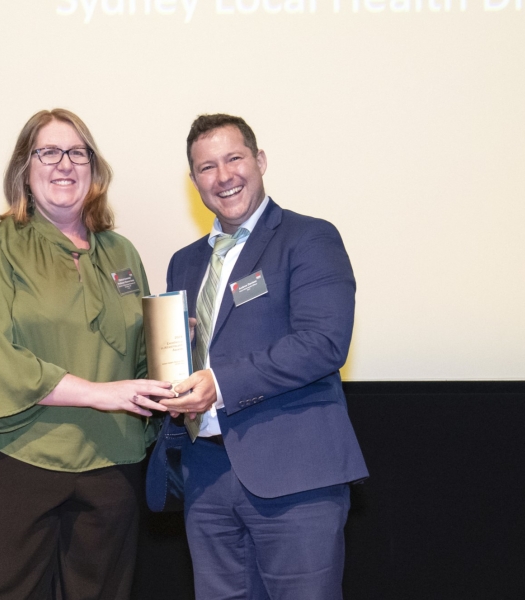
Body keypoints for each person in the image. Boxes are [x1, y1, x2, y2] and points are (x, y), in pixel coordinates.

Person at [0, 108, 174, 600]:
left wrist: (180, 356)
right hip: (13, 458)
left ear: (94, 170)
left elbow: (141, 360)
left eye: (77, 153)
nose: (64, 165)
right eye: (48, 152)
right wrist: (100, 394)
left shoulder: (122, 254)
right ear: (24, 170)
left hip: (111, 465)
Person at [148, 114, 369, 599]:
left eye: (234, 159)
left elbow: (324, 342)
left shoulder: (309, 238)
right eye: (207, 167)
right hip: (206, 477)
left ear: (260, 160)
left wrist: (218, 382)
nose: (223, 176)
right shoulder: (185, 262)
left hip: (295, 476)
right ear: (194, 182)